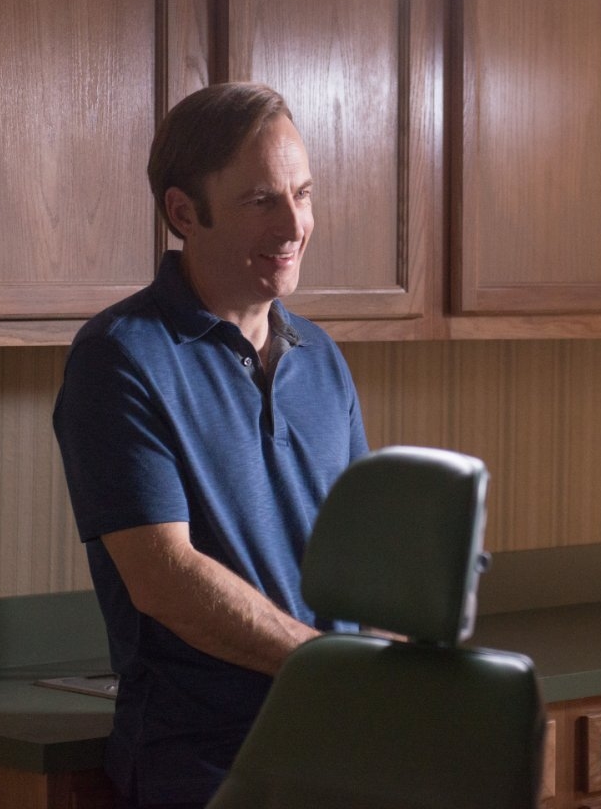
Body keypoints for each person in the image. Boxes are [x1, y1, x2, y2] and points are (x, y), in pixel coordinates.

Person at [54, 83, 369, 809]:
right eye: (262, 200)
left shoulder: (320, 356)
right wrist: (331, 667)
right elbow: (164, 577)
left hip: (342, 749)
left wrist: (397, 664)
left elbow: (360, 556)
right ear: (183, 212)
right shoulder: (121, 357)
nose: (294, 225)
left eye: (303, 194)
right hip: (208, 768)